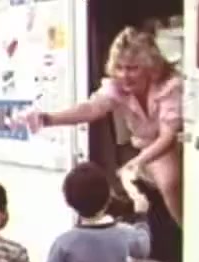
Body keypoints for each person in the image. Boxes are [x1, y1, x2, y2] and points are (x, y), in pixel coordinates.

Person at [26, 26, 183, 226]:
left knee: (169, 182)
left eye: (133, 68)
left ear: (150, 68)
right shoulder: (118, 85)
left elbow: (167, 137)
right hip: (143, 145)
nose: (125, 75)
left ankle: (188, 234)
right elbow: (91, 109)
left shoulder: (169, 86)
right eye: (120, 67)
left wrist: (137, 163)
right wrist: (48, 118)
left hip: (171, 144)